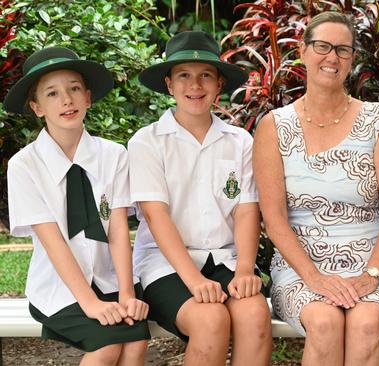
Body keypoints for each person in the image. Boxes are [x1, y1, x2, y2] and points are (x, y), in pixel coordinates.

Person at [253, 11, 379, 366]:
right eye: (322, 46)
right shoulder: (274, 127)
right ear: (303, 52)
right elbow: (274, 220)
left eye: (343, 50)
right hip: (300, 264)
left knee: (367, 323)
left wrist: (372, 274)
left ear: (352, 59)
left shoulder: (378, 120)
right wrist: (315, 278)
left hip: (371, 261)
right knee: (323, 323)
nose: (332, 57)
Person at [129, 31, 271, 365]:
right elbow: (155, 216)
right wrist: (193, 281)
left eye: (206, 75)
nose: (195, 85)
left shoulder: (239, 141)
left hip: (226, 259)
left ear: (219, 84)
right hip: (166, 266)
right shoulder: (147, 142)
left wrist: (247, 271)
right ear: (168, 84)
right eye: (184, 76)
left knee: (255, 316)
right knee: (210, 320)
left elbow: (247, 210)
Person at [5, 47, 150, 365]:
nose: (66, 100)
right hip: (58, 288)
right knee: (107, 346)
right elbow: (52, 242)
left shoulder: (113, 155)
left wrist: (126, 292)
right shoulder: (25, 165)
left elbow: (116, 230)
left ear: (87, 97)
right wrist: (90, 304)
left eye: (73, 89)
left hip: (109, 279)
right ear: (37, 107)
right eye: (52, 93)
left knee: (136, 344)